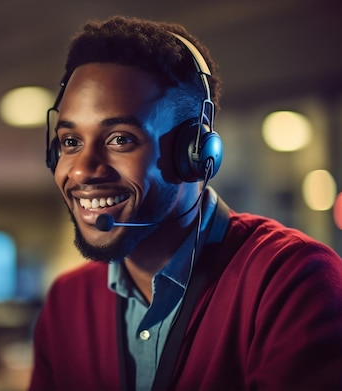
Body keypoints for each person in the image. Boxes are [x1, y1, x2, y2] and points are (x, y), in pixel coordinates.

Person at [29, 15, 342, 391]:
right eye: (70, 142)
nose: (81, 171)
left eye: (120, 139)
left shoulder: (290, 279)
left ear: (193, 153)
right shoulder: (67, 302)